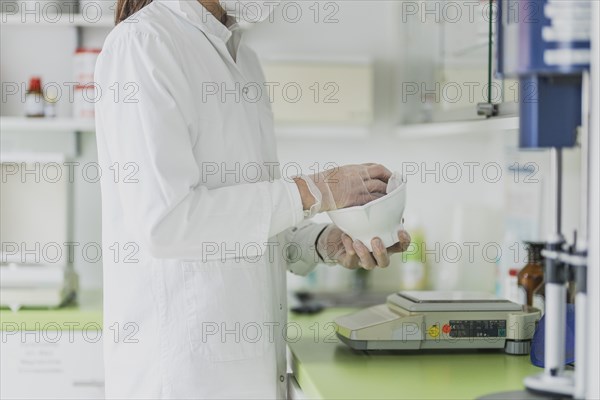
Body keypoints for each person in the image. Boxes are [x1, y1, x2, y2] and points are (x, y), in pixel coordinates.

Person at [94, 0, 411, 398]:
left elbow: (244, 223)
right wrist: (317, 189)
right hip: (184, 381)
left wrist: (322, 242)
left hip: (251, 377)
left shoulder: (244, 60)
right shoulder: (144, 44)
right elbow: (167, 225)